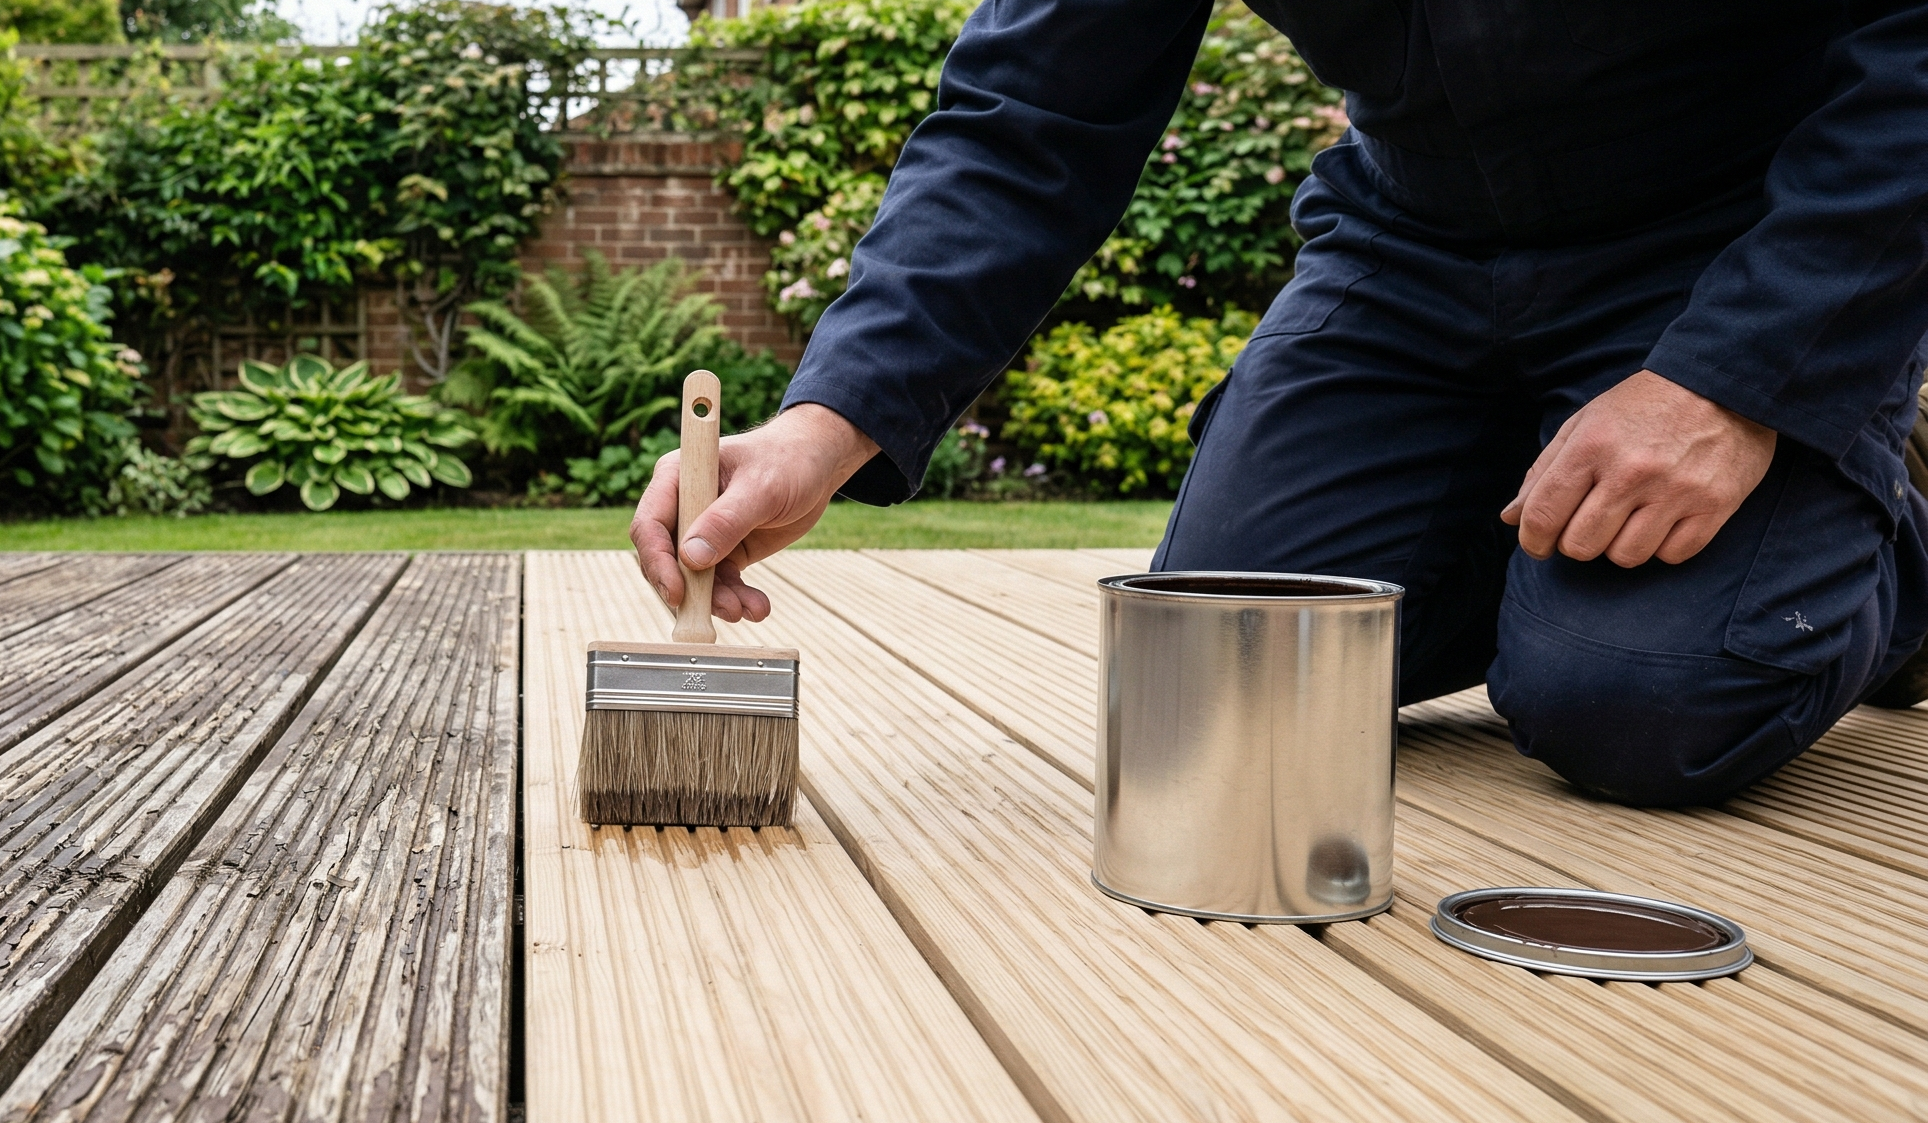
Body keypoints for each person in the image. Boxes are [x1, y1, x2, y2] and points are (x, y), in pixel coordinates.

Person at [631, 0, 1928, 807]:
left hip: (1733, 241)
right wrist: (825, 423)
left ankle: (1884, 551)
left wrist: (1736, 381)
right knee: (1219, 675)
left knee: (1636, 698)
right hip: (1413, 245)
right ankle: (1595, 546)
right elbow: (1027, 115)